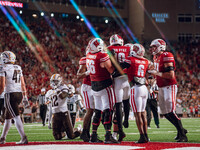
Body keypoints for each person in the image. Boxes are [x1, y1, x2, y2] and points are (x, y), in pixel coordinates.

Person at [148, 38, 188, 142]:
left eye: (154, 47)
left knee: (170, 110)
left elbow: (170, 75)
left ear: (160, 47)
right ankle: (182, 130)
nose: (152, 49)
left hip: (169, 86)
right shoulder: (155, 57)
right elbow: (157, 72)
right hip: (161, 86)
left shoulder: (167, 55)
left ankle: (182, 134)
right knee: (165, 112)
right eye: (152, 47)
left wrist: (156, 73)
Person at [86, 38, 118, 143]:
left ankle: (93, 135)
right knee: (107, 110)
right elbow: (111, 70)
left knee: (97, 110)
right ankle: (108, 135)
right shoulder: (102, 56)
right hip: (104, 85)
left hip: (94, 85)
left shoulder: (89, 55)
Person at [121, 44, 151, 143]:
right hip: (144, 88)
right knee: (143, 113)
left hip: (135, 88)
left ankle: (142, 136)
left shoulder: (130, 59)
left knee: (137, 114)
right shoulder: (146, 61)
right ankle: (146, 136)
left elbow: (120, 67)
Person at [0, 51, 28, 144]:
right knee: (8, 117)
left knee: (16, 117)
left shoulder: (3, 68)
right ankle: (2, 138)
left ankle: (23, 137)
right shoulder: (18, 67)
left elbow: (2, 85)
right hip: (19, 94)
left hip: (10, 94)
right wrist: (25, 97)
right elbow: (23, 84)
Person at [107, 34, 130, 142]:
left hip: (117, 79)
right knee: (126, 101)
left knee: (118, 105)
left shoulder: (109, 49)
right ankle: (126, 120)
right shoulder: (128, 48)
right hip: (128, 78)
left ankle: (120, 130)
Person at [45, 74, 81, 140]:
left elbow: (63, 96)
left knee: (71, 136)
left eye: (55, 81)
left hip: (64, 113)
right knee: (57, 137)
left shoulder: (63, 87)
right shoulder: (50, 91)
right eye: (53, 81)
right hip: (55, 114)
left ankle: (80, 130)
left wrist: (57, 90)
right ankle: (64, 133)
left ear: (59, 81)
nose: (54, 83)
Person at [77, 43, 94, 142]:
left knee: (94, 110)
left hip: (96, 86)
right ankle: (84, 132)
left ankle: (88, 132)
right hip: (88, 87)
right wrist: (88, 72)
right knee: (90, 110)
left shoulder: (98, 57)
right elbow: (79, 75)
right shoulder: (85, 60)